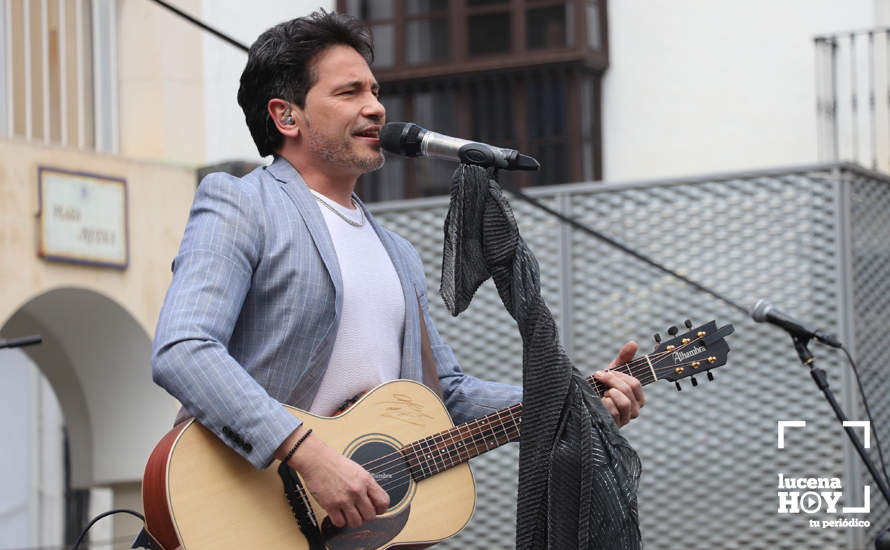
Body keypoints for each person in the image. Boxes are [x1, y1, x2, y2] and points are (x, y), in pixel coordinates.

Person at [151, 10, 645, 533]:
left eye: (376, 90)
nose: (376, 108)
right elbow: (184, 348)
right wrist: (309, 455)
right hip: (238, 514)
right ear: (286, 116)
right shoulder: (241, 204)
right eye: (349, 93)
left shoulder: (399, 253)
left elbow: (446, 396)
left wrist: (571, 400)